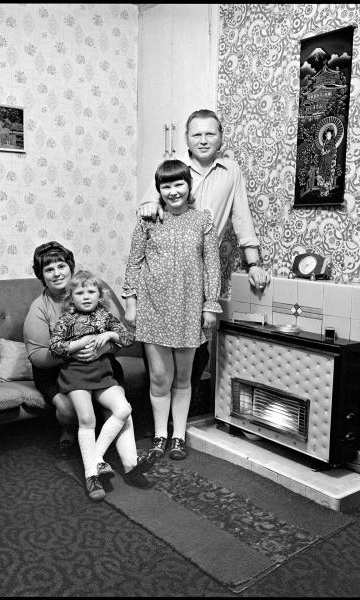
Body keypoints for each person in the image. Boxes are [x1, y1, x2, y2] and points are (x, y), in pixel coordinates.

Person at [137, 109, 271, 404]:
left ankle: (182, 419)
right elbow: (148, 204)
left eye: (210, 133)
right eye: (197, 134)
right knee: (159, 353)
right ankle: (158, 420)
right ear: (186, 138)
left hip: (201, 271)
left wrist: (253, 263)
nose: (203, 140)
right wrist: (148, 206)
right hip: (162, 272)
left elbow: (241, 216)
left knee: (197, 346)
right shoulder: (173, 168)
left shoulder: (231, 171)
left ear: (221, 137)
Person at [23, 242, 155, 499]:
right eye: (49, 269)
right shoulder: (41, 309)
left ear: (71, 268)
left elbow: (120, 334)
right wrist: (76, 349)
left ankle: (129, 462)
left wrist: (104, 348)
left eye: (62, 266)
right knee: (76, 412)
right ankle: (82, 449)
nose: (57, 272)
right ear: (41, 275)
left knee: (118, 407)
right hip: (59, 369)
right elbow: (40, 357)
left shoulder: (94, 294)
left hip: (100, 365)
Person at [123, 159, 222, 460]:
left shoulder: (203, 219)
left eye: (179, 184)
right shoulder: (148, 219)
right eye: (166, 186)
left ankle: (178, 435)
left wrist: (211, 305)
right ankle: (159, 436)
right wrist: (130, 302)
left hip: (190, 309)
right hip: (153, 308)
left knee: (183, 378)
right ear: (159, 190)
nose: (173, 191)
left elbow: (213, 266)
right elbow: (134, 261)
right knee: (159, 379)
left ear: (189, 186)